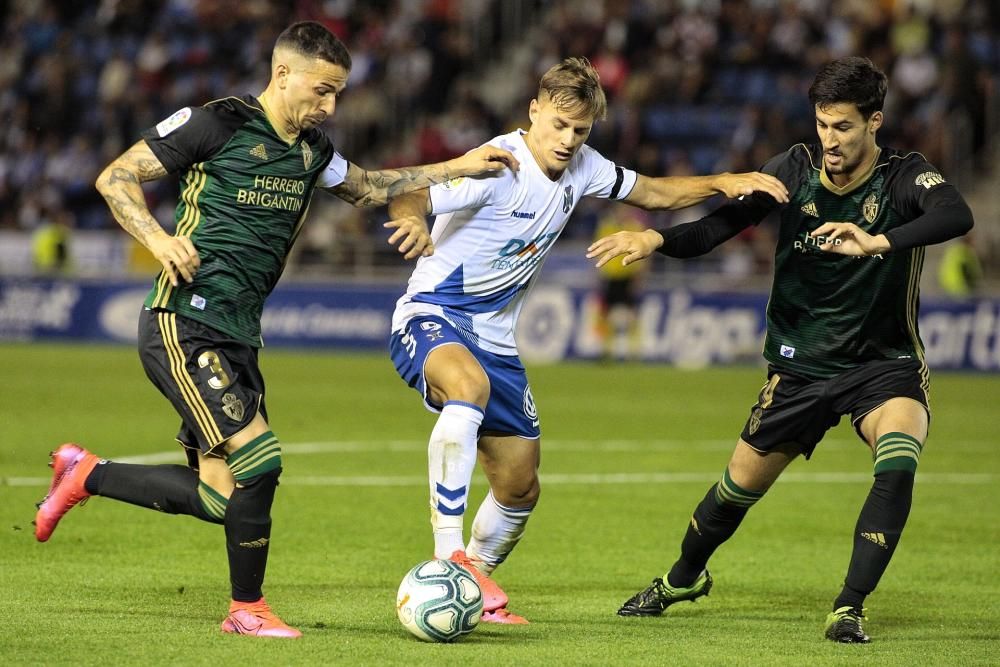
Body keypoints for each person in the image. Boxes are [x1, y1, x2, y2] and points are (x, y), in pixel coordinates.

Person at [33, 21, 517, 639]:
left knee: (221, 497)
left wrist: (461, 165)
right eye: (322, 90)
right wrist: (158, 239)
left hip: (238, 335)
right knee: (261, 462)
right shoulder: (219, 123)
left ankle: (85, 474)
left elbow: (369, 187)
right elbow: (116, 177)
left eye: (338, 93)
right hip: (185, 324)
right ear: (282, 73)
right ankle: (246, 610)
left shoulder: (313, 151)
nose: (330, 106)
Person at [387, 56, 789, 624]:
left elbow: (652, 191)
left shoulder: (584, 167)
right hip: (434, 314)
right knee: (466, 387)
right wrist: (414, 220)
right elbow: (412, 189)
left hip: (498, 340)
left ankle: (473, 580)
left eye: (580, 130)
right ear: (534, 112)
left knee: (520, 487)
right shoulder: (498, 163)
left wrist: (721, 181)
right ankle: (448, 555)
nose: (567, 140)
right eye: (558, 125)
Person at [588, 56, 974, 643]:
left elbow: (956, 214)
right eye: (822, 124)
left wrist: (878, 242)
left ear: (875, 122)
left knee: (897, 464)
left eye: (842, 126)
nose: (829, 140)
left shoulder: (904, 176)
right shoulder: (791, 170)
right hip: (799, 366)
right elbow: (717, 228)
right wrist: (654, 237)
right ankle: (682, 577)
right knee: (734, 492)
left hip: (882, 364)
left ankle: (849, 606)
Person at [592, 207, 649, 360]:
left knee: (631, 316)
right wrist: (599, 274)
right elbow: (598, 251)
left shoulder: (634, 228)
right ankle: (606, 350)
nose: (621, 213)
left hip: (627, 276)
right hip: (610, 277)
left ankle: (634, 351)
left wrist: (638, 277)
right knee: (605, 315)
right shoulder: (607, 227)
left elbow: (642, 255)